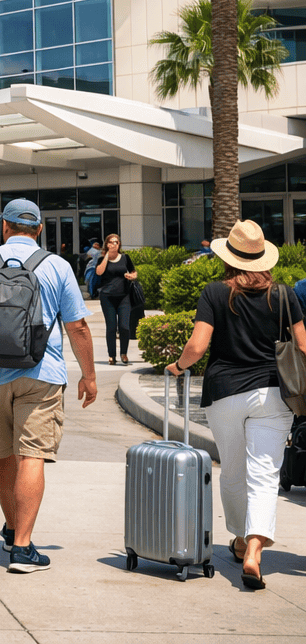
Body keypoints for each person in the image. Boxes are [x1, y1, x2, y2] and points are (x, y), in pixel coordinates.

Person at [0, 198, 97, 573]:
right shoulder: (57, 266)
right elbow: (77, 326)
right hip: (41, 375)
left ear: (5, 227)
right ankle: (22, 547)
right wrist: (89, 376)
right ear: (40, 229)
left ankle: (13, 526)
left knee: (3, 455)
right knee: (33, 455)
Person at [166, 220, 306, 591]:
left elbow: (197, 347)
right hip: (274, 393)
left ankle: (242, 538)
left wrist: (179, 366)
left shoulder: (214, 293)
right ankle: (253, 549)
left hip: (225, 392)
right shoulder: (284, 294)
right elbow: (304, 346)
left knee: (232, 470)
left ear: (229, 258)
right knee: (264, 472)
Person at [94, 234, 138, 365]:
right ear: (107, 244)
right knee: (111, 327)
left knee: (124, 327)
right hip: (107, 297)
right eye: (111, 242)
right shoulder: (102, 259)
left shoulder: (125, 258)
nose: (114, 244)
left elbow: (134, 272)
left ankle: (123, 353)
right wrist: (107, 255)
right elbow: (99, 272)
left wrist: (131, 276)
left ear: (119, 244)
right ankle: (112, 355)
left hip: (124, 296)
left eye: (116, 242)